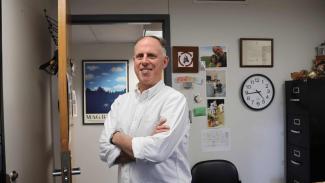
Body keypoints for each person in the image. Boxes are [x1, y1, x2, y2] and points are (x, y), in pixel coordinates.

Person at [99, 36, 191, 183]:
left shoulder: (175, 100)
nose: (144, 61)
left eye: (152, 56)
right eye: (140, 56)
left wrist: (116, 137)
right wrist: (146, 144)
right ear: (134, 61)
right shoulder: (121, 102)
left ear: (165, 61)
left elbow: (157, 151)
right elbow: (104, 150)